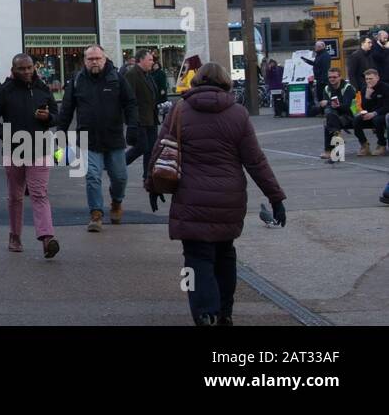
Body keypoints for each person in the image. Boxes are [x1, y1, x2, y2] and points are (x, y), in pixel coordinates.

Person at [146, 62, 286, 326]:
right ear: (226, 83)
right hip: (228, 199)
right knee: (224, 256)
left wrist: (152, 186)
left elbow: (159, 150)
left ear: (196, 82)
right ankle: (224, 312)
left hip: (190, 199)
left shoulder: (179, 110)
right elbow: (256, 161)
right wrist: (275, 197)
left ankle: (204, 312)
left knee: (196, 259)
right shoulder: (238, 114)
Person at [0, 54, 59, 258]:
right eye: (21, 69)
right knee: (16, 196)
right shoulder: (4, 91)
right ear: (13, 70)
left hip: (40, 149)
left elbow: (56, 114)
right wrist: (6, 134)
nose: (26, 72)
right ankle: (15, 236)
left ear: (34, 68)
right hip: (14, 150)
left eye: (29, 68)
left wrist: (49, 117)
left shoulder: (42, 88)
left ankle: (46, 238)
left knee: (39, 193)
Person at [58, 45, 137, 231]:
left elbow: (130, 103)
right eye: (90, 59)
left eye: (97, 58)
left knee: (120, 177)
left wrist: (133, 126)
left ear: (104, 58)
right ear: (84, 60)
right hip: (88, 138)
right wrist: (61, 131)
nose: (94, 62)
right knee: (92, 176)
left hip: (114, 138)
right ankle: (96, 214)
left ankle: (117, 202)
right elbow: (67, 108)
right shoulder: (77, 80)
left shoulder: (116, 78)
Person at [123, 49, 160, 178]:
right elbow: (128, 98)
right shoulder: (132, 74)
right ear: (141, 60)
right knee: (141, 147)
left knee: (151, 149)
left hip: (151, 118)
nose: (153, 62)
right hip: (139, 119)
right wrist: (131, 119)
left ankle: (147, 175)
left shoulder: (147, 74)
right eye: (150, 59)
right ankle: (118, 164)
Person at [317, 67, 359, 160]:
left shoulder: (348, 88)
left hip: (349, 116)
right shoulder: (327, 88)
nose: (332, 79)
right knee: (330, 116)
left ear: (340, 77)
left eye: (334, 77)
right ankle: (337, 138)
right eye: (330, 77)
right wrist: (326, 105)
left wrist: (330, 103)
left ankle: (329, 150)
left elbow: (347, 107)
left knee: (329, 119)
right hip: (335, 116)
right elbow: (324, 106)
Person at [353, 66, 387, 156]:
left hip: (382, 114)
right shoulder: (365, 89)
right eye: (367, 79)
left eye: (371, 78)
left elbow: (387, 106)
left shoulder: (385, 88)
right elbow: (364, 107)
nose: (368, 81)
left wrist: (374, 113)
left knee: (377, 120)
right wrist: (367, 97)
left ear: (377, 78)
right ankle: (364, 145)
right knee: (356, 120)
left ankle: (382, 145)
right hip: (370, 114)